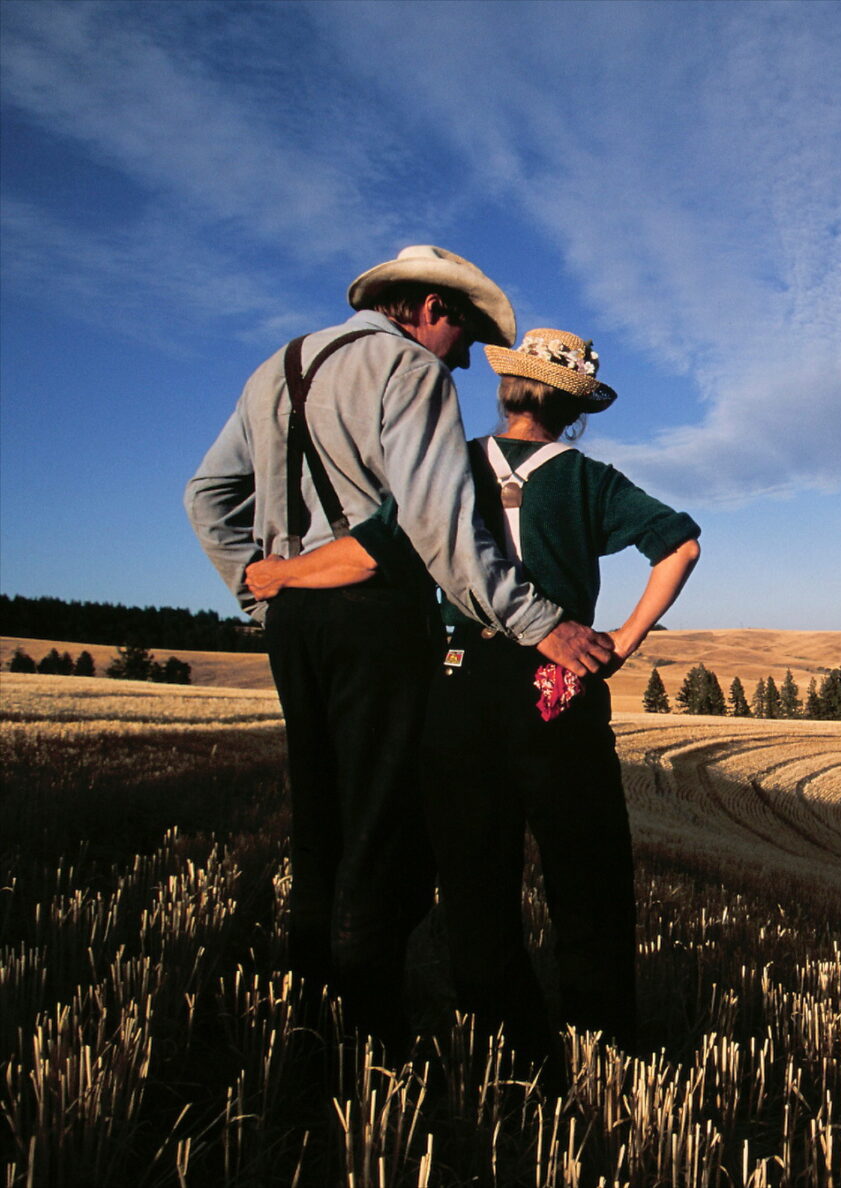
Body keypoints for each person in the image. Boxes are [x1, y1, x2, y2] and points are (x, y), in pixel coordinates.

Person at [186, 248, 617, 1048]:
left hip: (295, 628)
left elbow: (206, 495)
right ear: (426, 306)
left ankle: (312, 1016)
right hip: (376, 619)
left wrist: (257, 591)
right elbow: (437, 523)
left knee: (321, 820)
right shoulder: (407, 370)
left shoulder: (272, 369)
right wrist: (539, 623)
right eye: (465, 328)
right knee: (384, 830)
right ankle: (374, 1032)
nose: (462, 355)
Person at [246, 327, 700, 1057]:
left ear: (504, 390)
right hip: (563, 681)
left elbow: (365, 556)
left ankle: (504, 1043)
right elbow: (681, 545)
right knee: (588, 878)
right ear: (574, 411)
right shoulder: (590, 480)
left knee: (474, 882)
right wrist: (621, 640)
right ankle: (603, 1047)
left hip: (460, 683)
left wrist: (276, 575)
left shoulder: (449, 469)